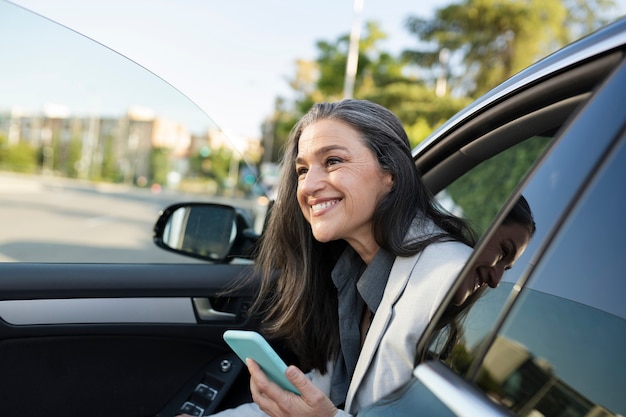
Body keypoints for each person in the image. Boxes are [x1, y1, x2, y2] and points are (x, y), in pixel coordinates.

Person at [198, 99, 475, 417]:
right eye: (302, 170)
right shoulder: (352, 272)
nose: (308, 186)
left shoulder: (448, 276)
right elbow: (325, 394)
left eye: (332, 161)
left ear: (391, 174)